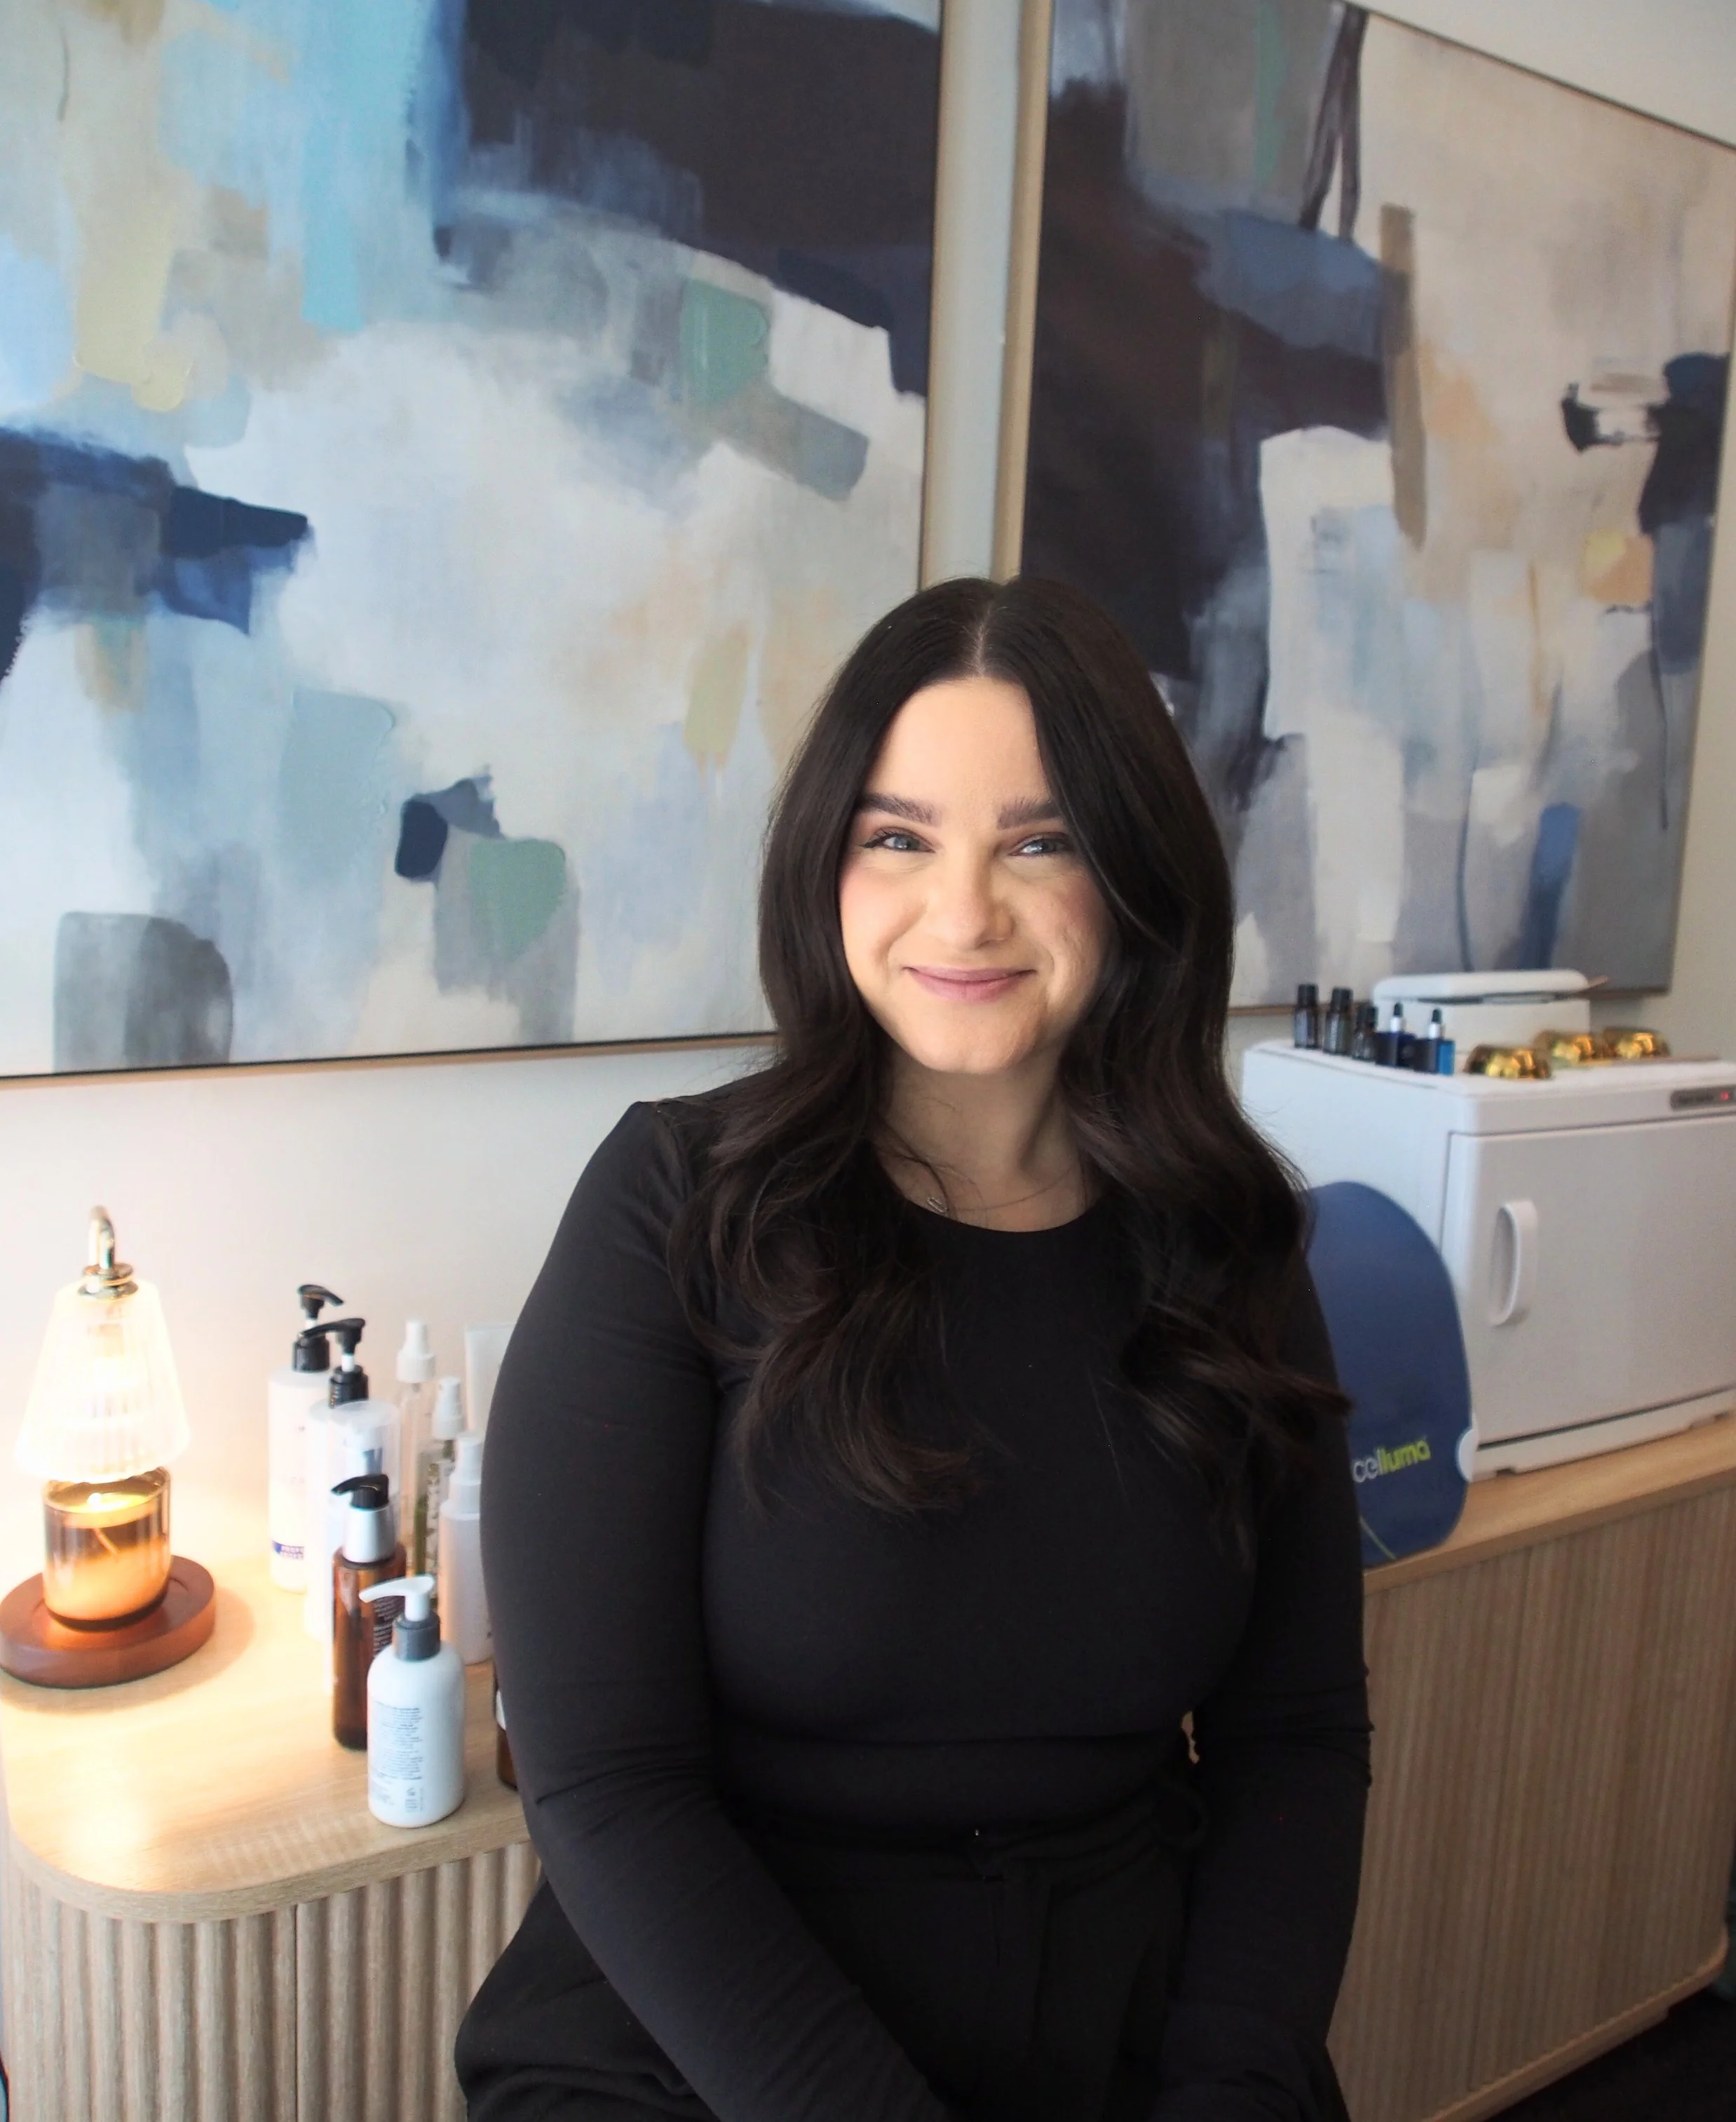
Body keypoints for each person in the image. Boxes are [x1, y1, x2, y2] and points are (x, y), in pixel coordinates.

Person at [458, 576, 1370, 2122]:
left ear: (1132, 871)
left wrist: (1232, 2082)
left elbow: (1294, 1739)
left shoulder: (1232, 1245)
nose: (962, 913)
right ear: (827, 863)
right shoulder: (673, 1206)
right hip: (712, 2030)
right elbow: (605, 1785)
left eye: (1038, 841)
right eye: (898, 838)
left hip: (1113, 2013)